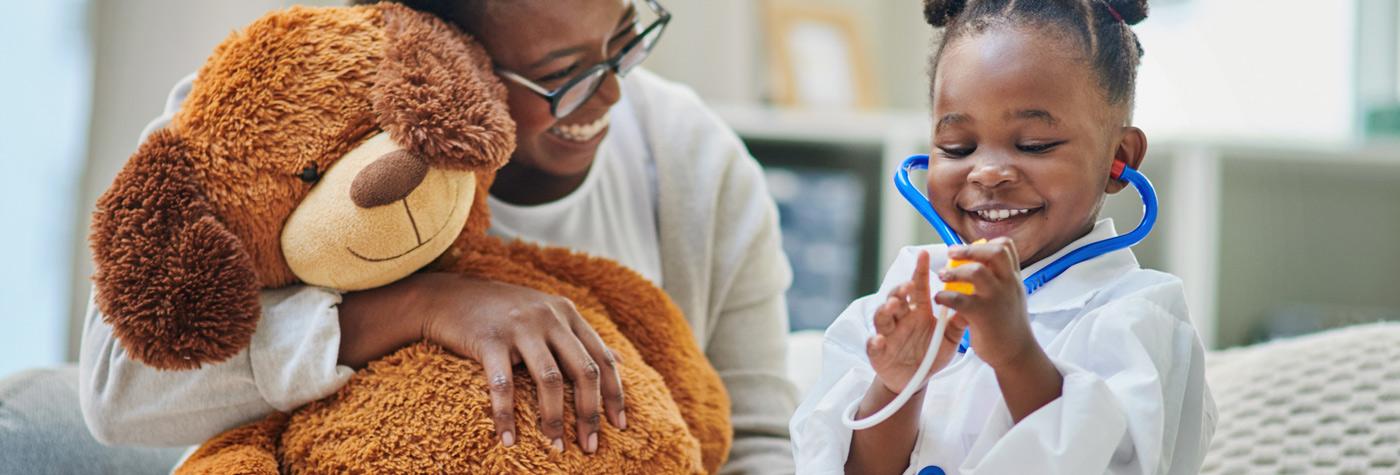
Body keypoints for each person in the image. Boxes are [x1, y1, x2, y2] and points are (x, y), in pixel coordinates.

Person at [78, 0, 797, 472]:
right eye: (561, 74)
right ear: (443, 47)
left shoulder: (693, 163)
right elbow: (118, 390)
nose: (611, 93)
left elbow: (760, 441)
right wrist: (414, 308)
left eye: (622, 38)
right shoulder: (276, 117)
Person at [789, 0, 1215, 473]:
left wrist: (1016, 353)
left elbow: (1112, 464)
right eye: (958, 147)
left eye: (1034, 145)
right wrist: (896, 385)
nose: (988, 173)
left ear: (1120, 157)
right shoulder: (907, 293)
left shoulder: (1142, 316)